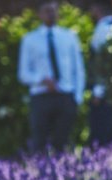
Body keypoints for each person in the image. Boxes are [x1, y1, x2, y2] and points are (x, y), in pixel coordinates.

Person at [17, 1, 86, 152]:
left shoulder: (69, 37)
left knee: (63, 142)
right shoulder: (30, 40)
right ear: (40, 14)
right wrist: (41, 80)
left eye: (54, 10)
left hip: (65, 96)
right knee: (39, 142)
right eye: (47, 11)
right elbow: (23, 73)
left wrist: (77, 98)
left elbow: (78, 69)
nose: (51, 14)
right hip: (41, 97)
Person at [87, 0, 112, 146]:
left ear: (97, 8)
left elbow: (104, 63)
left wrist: (98, 91)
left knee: (102, 135)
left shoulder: (104, 30)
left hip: (105, 93)